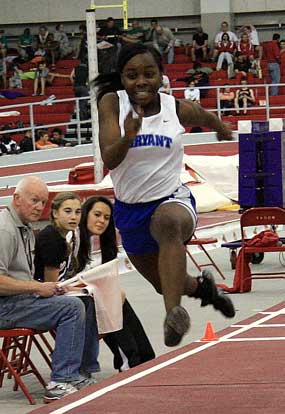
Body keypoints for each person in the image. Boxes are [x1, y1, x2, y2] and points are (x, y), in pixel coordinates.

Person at [94, 43, 235, 348]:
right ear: (122, 79)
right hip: (131, 211)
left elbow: (202, 115)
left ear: (161, 76)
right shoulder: (112, 104)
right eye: (132, 75)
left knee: (167, 223)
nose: (140, 81)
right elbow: (110, 159)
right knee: (165, 282)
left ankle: (174, 315)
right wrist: (129, 136)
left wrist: (221, 127)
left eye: (148, 74)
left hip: (172, 199)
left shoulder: (174, 108)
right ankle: (204, 289)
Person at [0, 176, 95, 403]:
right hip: (5, 306)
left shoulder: (23, 228)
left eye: (42, 202)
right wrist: (37, 287)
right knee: (71, 308)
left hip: (18, 300)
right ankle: (61, 380)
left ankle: (76, 373)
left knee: (82, 300)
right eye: (34, 200)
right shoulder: (6, 231)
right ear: (16, 199)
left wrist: (49, 288)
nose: (39, 207)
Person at [78, 196, 155, 371]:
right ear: (85, 214)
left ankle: (145, 355)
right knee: (108, 300)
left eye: (106, 218)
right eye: (97, 215)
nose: (101, 221)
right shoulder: (74, 238)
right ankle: (128, 360)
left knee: (118, 298)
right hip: (77, 299)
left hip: (91, 294)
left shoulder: (99, 243)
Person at [34, 191, 100, 379]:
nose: (74, 217)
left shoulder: (67, 237)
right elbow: (50, 285)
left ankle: (85, 364)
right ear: (55, 213)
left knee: (92, 298)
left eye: (78, 212)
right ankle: (80, 367)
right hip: (37, 296)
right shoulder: (51, 239)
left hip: (47, 291)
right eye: (68, 211)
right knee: (83, 303)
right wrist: (74, 289)